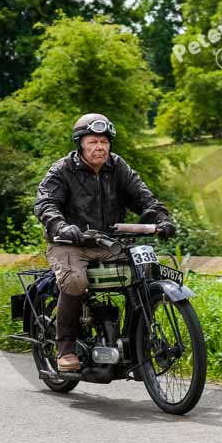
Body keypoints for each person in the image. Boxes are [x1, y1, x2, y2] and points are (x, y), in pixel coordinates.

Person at [33, 113, 176, 372]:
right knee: (75, 281)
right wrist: (61, 226)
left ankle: (137, 342)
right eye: (93, 142)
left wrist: (161, 218)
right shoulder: (62, 169)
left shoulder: (118, 167)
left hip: (109, 243)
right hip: (69, 244)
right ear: (80, 144)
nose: (99, 147)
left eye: (104, 142)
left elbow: (144, 197)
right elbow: (45, 203)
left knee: (145, 272)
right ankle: (65, 348)